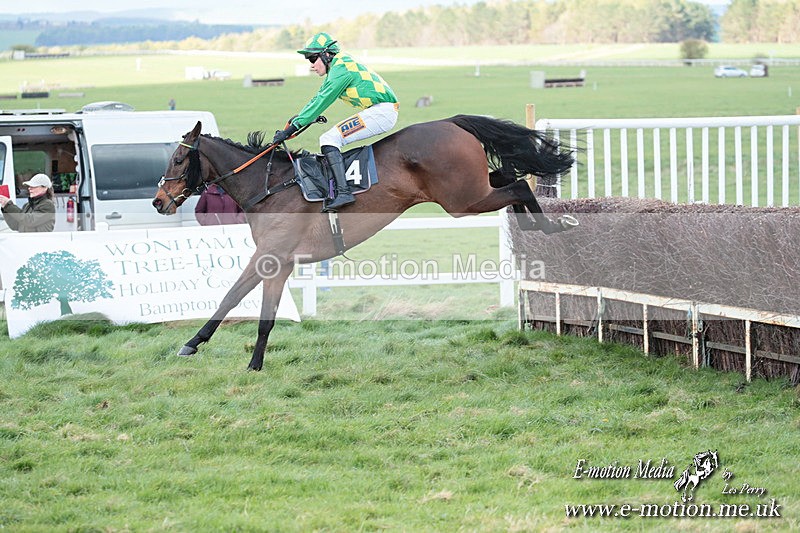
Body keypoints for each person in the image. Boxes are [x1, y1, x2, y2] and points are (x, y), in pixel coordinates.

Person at [272, 32, 399, 212]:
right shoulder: (339, 66)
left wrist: (291, 129)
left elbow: (321, 101)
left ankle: (344, 192)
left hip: (382, 113)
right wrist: (298, 121)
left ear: (326, 54)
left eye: (313, 58)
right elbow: (317, 98)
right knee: (329, 137)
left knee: (329, 139)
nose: (311, 65)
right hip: (379, 110)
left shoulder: (341, 69)